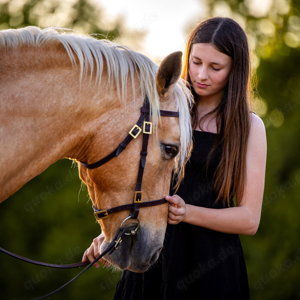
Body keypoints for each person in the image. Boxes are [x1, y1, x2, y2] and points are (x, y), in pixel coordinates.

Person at [82, 17, 267, 299]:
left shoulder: (249, 127)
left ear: (234, 70)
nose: (201, 74)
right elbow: (143, 183)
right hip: (152, 259)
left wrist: (187, 212)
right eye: (196, 62)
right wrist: (111, 236)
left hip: (211, 267)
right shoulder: (166, 109)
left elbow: (249, 219)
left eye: (215, 67)